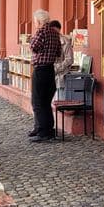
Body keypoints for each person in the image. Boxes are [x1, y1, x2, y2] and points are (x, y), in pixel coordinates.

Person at [29, 10, 62, 142]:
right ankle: (47, 129)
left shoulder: (41, 31)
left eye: (35, 21)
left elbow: (34, 47)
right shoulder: (55, 33)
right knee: (46, 102)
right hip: (50, 70)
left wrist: (32, 39)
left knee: (38, 102)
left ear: (39, 21)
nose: (35, 23)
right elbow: (59, 52)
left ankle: (43, 132)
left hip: (40, 70)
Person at [48, 20, 74, 93]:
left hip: (61, 75)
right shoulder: (47, 40)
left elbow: (69, 59)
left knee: (59, 99)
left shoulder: (65, 41)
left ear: (58, 30)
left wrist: (57, 68)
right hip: (48, 74)